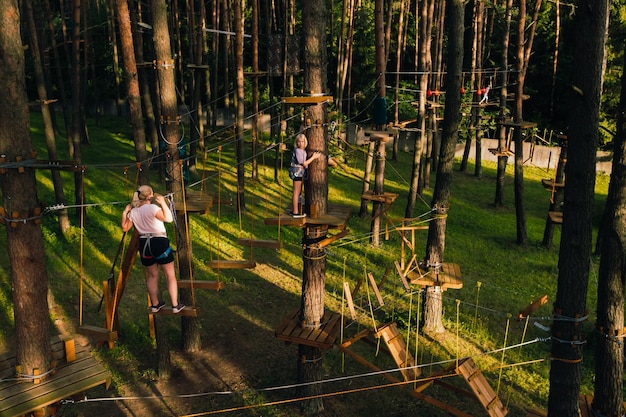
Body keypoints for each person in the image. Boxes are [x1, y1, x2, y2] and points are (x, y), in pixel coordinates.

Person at [121, 185, 184, 314]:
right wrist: (163, 204)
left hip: (144, 244)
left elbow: (125, 228)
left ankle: (155, 304)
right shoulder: (153, 208)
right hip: (159, 242)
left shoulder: (134, 212)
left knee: (152, 275)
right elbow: (169, 219)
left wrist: (124, 213)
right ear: (150, 196)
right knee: (170, 275)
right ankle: (175, 305)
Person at [290, 133, 321, 218]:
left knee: (298, 192)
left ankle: (297, 209)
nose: (300, 143)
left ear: (305, 142)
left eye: (302, 142)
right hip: (297, 172)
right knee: (296, 192)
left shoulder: (302, 151)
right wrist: (313, 157)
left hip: (300, 172)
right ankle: (295, 212)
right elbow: (304, 163)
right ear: (296, 143)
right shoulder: (297, 151)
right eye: (299, 142)